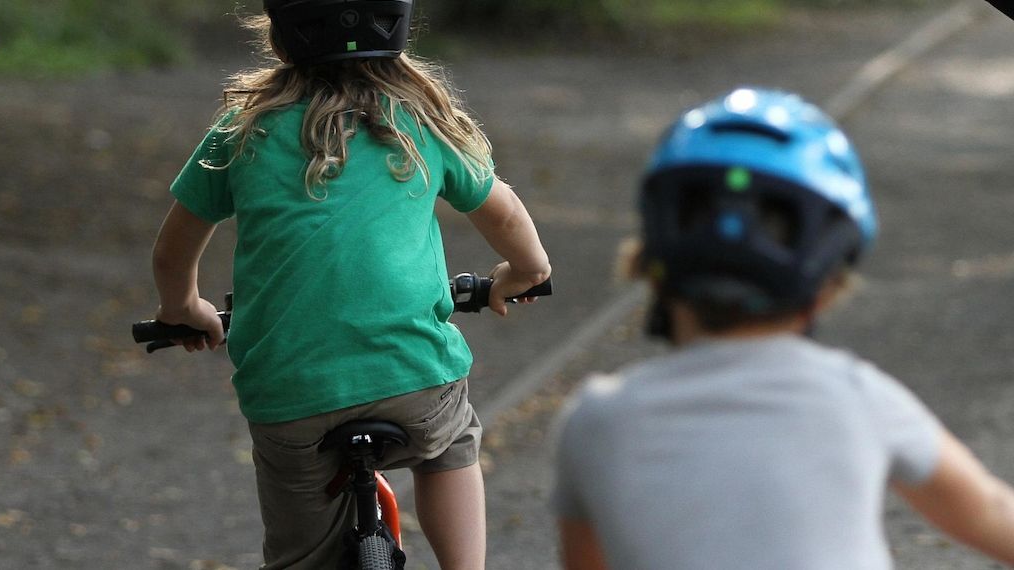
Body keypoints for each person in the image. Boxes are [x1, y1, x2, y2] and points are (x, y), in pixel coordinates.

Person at [150, 0, 550, 568]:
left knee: (302, 554)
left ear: (281, 35)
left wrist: (182, 307)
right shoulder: (420, 118)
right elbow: (503, 212)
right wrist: (526, 272)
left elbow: (172, 251)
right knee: (451, 442)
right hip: (413, 381)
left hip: (289, 395)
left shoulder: (241, 131)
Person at [551, 87, 1014, 569]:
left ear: (648, 263)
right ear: (830, 285)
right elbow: (990, 511)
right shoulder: (857, 397)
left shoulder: (596, 422)